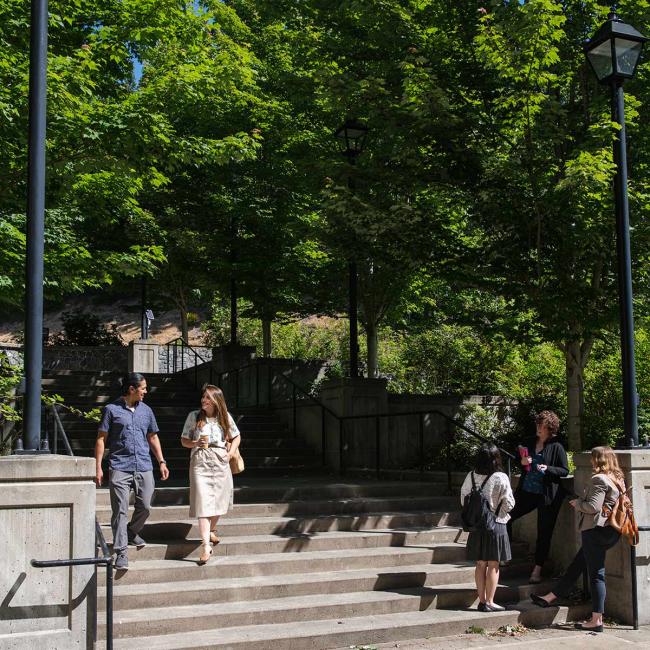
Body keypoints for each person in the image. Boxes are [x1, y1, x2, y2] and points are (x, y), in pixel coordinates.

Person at [531, 446, 623, 633]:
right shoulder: (618, 479)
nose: (590, 461)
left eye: (592, 458)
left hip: (595, 530)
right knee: (579, 564)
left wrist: (577, 503)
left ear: (598, 460)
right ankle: (550, 596)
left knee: (597, 574)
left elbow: (592, 507)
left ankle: (597, 619)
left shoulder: (599, 479)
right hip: (611, 531)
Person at [95, 372, 169, 571]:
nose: (145, 391)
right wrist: (98, 467)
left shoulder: (147, 411)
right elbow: (101, 439)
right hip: (119, 465)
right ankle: (121, 552)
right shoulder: (111, 410)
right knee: (119, 510)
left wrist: (161, 461)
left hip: (144, 464)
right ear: (132, 389)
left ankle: (131, 531)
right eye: (143, 388)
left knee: (145, 505)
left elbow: (153, 437)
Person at [181, 384, 241, 565]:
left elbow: (236, 436)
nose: (203, 400)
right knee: (203, 502)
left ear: (216, 400)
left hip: (220, 459)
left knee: (221, 498)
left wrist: (230, 453)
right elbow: (183, 440)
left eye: (207, 398)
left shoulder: (225, 417)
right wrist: (195, 442)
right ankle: (205, 545)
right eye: (203, 397)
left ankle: (212, 529)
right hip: (200, 460)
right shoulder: (194, 416)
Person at [507, 410, 569, 583]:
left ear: (550, 428)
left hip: (547, 495)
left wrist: (547, 468)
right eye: (537, 425)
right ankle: (506, 555)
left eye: (541, 426)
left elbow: (564, 470)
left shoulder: (557, 446)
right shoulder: (529, 442)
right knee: (505, 516)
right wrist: (522, 462)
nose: (538, 429)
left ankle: (537, 570)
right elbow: (519, 459)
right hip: (527, 491)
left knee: (544, 532)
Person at [460, 443, 515, 612]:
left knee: (480, 563)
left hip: (477, 526)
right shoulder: (500, 477)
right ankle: (490, 601)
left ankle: (482, 601)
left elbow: (463, 499)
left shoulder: (470, 476)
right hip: (496, 525)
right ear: (496, 458)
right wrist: (498, 514)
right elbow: (510, 502)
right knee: (493, 564)